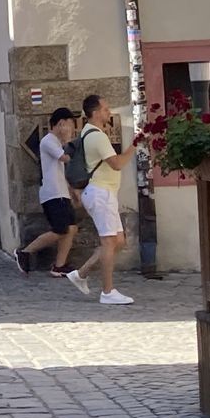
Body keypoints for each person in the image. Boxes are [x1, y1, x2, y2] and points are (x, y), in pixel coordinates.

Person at [67, 95, 135, 304]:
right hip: (101, 193)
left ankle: (80, 274)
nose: (109, 112)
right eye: (105, 109)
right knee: (108, 242)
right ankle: (108, 292)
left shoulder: (90, 133)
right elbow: (116, 163)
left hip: (104, 193)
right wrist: (135, 145)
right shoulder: (97, 136)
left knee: (118, 241)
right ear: (96, 113)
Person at [16, 107, 79, 277]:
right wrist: (69, 142)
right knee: (61, 229)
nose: (70, 129)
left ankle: (59, 265)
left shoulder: (57, 143)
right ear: (60, 124)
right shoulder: (48, 141)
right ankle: (26, 251)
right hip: (53, 193)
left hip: (62, 192)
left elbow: (62, 170)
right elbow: (65, 158)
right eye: (68, 125)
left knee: (71, 228)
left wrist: (72, 191)